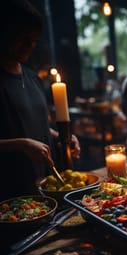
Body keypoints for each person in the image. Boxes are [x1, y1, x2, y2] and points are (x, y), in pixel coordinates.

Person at [0, 0, 80, 201]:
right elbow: (23, 137)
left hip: (43, 186)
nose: (30, 45)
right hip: (11, 193)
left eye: (34, 39)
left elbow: (38, 125)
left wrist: (62, 136)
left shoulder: (32, 77)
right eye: (23, 38)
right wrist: (21, 144)